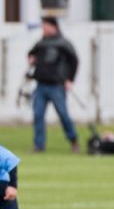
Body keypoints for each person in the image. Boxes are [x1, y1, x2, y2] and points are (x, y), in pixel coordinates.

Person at [28, 16, 79, 152]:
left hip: (57, 85)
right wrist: (32, 58)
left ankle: (73, 140)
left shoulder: (63, 43)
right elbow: (32, 53)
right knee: (38, 115)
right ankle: (39, 145)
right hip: (40, 85)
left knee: (63, 114)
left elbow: (74, 61)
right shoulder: (41, 43)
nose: (43, 29)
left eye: (45, 26)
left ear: (53, 27)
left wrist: (70, 79)